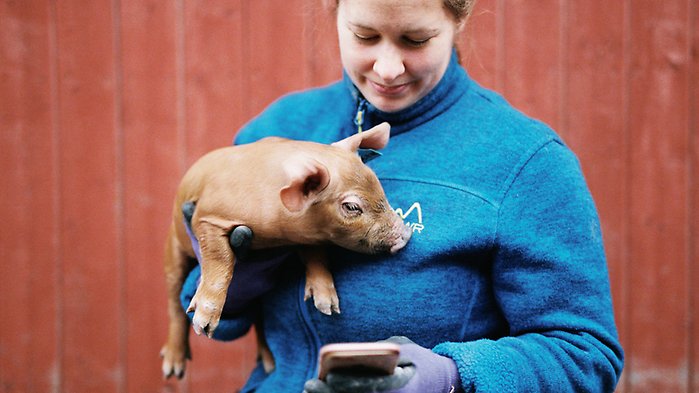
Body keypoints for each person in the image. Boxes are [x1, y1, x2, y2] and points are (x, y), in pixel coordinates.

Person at [179, 0, 624, 391]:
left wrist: (452, 377)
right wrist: (237, 280)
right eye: (365, 36)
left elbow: (584, 355)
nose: (388, 68)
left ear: (457, 20)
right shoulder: (275, 134)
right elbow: (215, 321)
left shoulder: (525, 160)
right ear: (334, 12)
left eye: (416, 39)